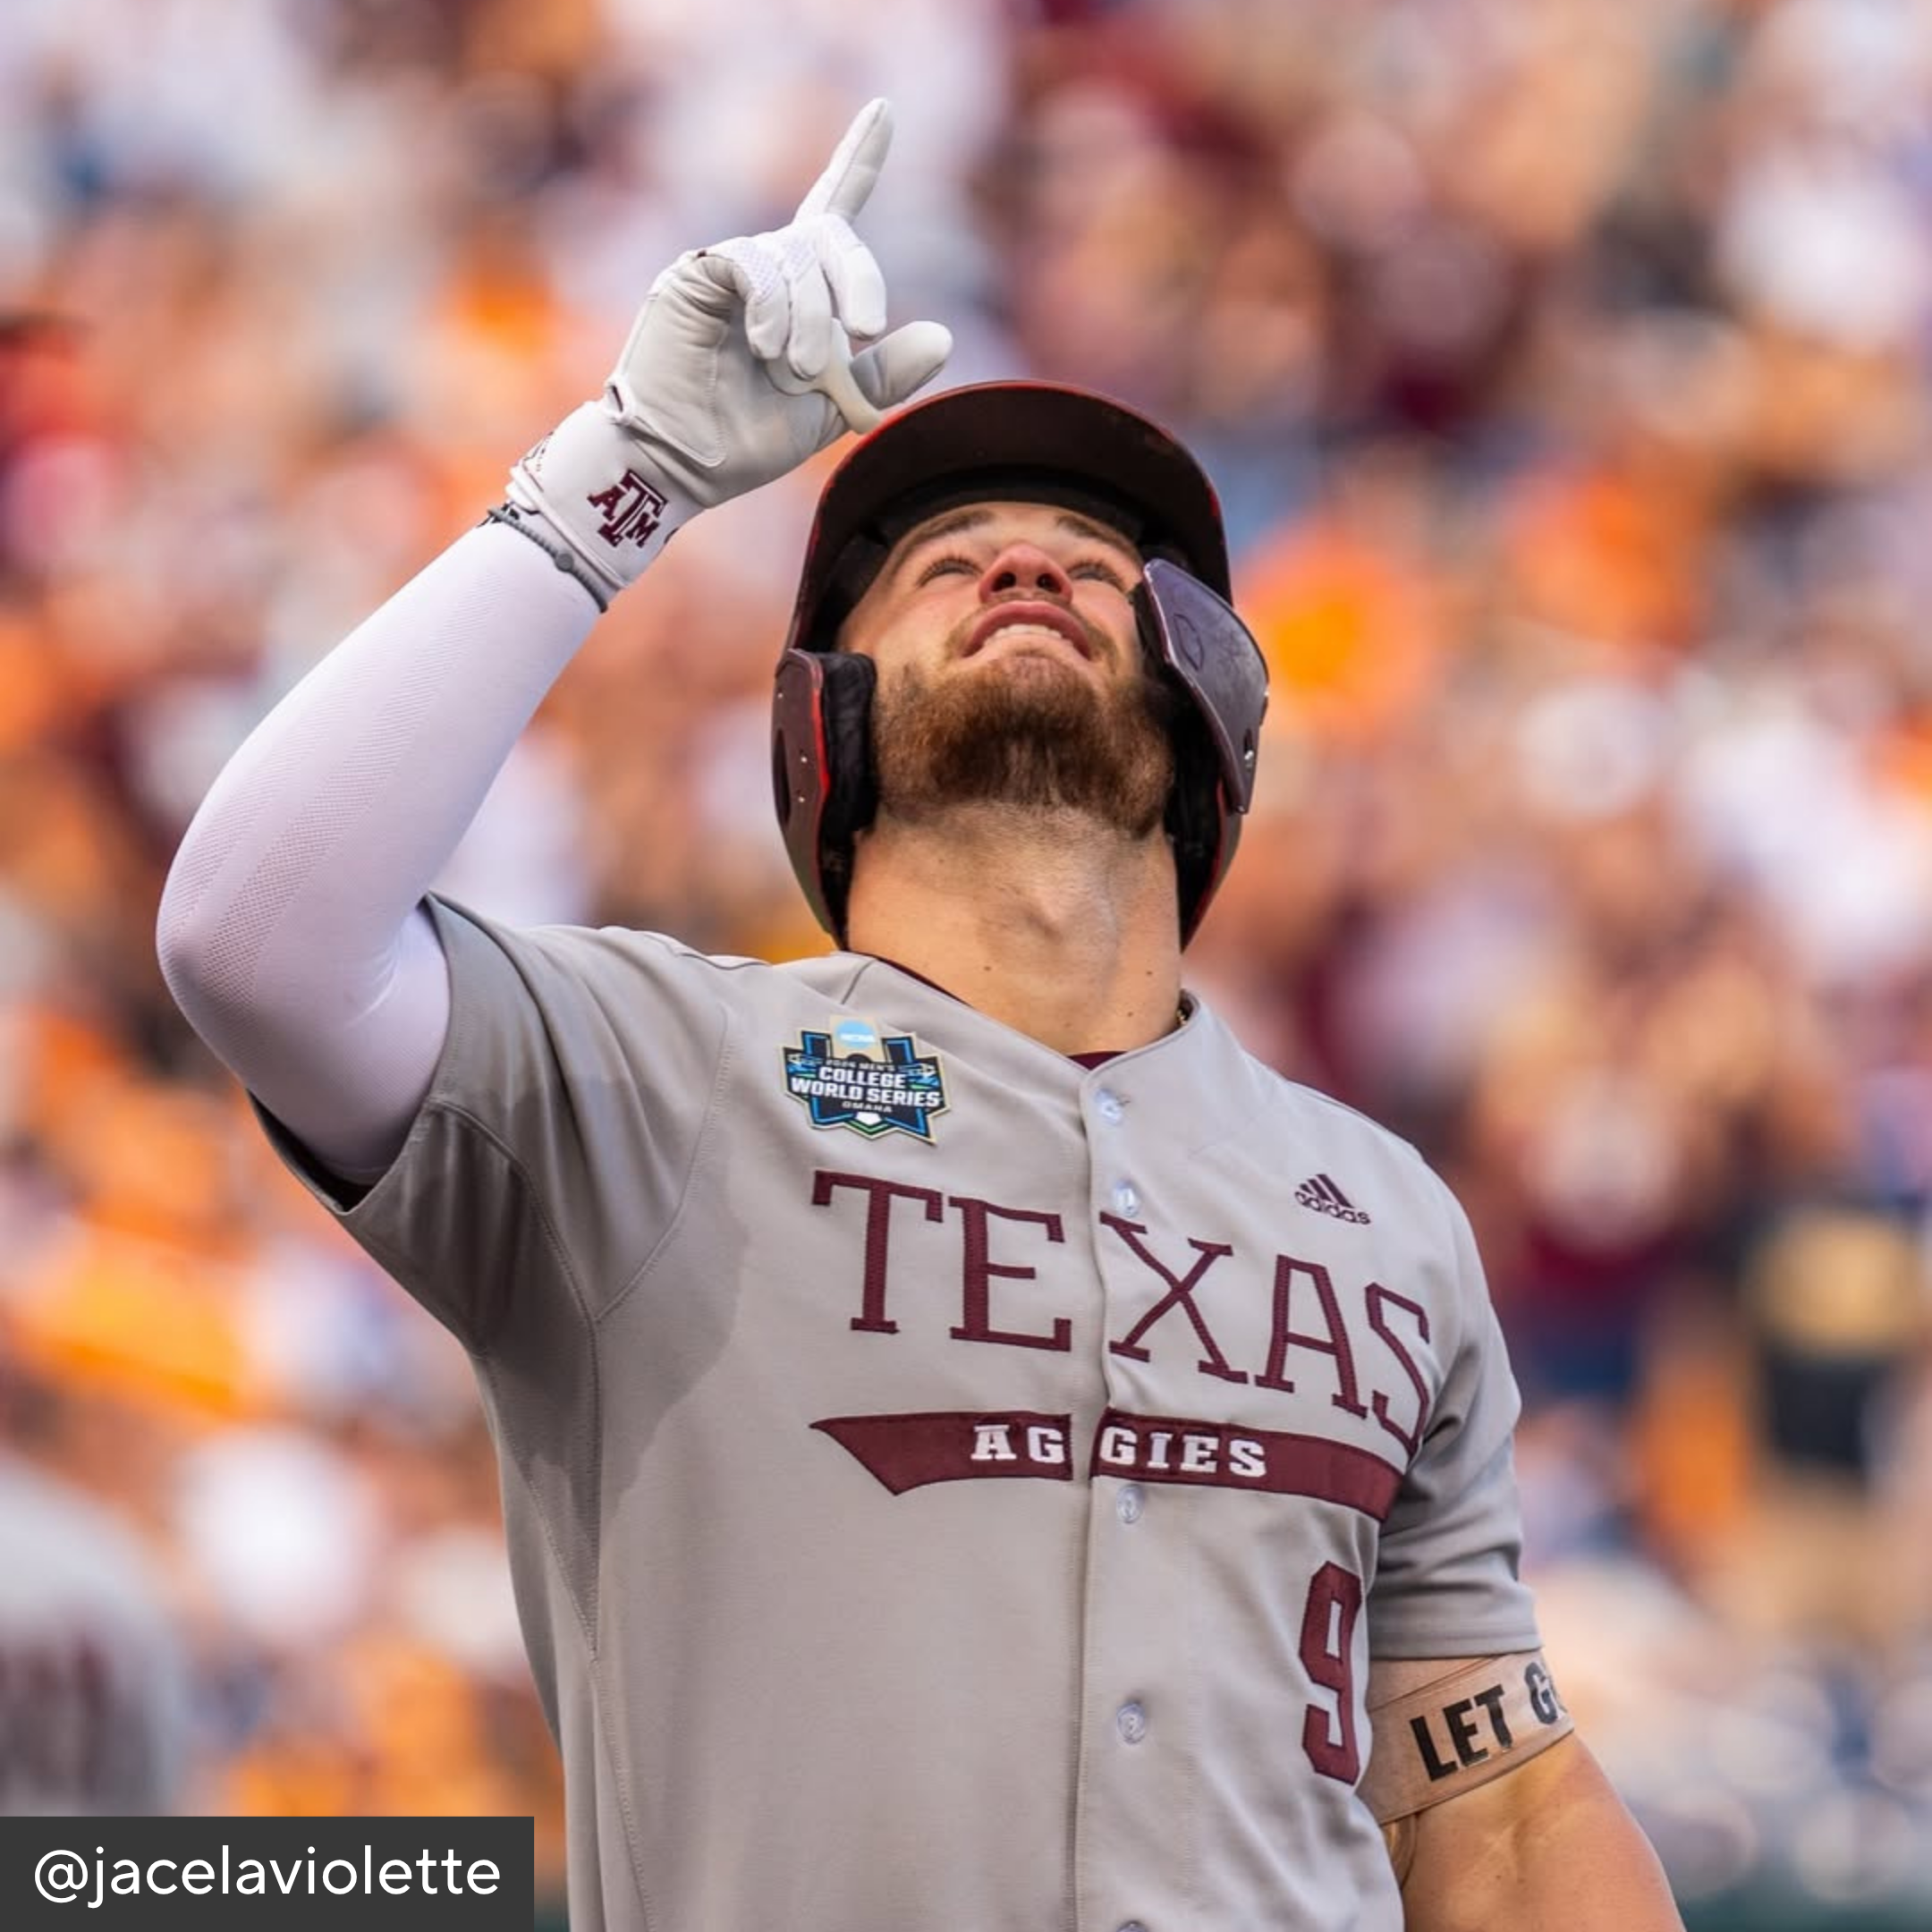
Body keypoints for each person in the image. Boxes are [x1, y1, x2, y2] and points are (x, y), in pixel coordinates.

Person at [157, 99, 1682, 1931]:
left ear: (1210, 711)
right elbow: (253, 938)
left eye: (1093, 563)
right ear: (828, 726)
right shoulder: (648, 1073)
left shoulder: (1390, 1214)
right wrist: (623, 468)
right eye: (942, 559)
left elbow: (1493, 1800)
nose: (1021, 563)